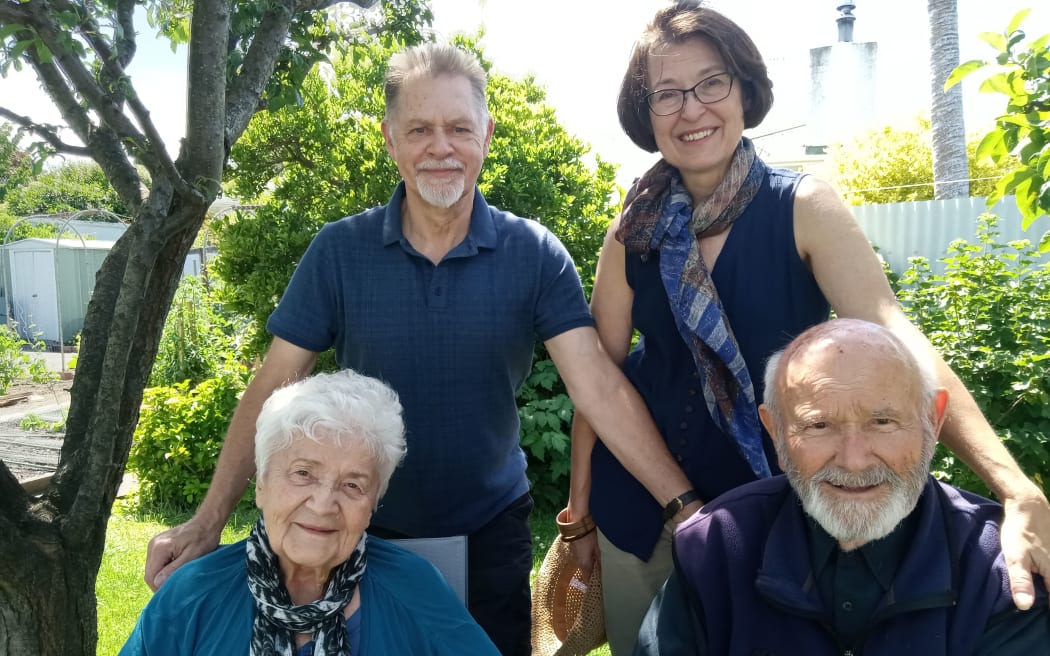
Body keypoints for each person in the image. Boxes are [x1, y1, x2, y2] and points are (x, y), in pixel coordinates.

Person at [144, 42, 698, 656]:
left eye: (459, 128)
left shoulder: (533, 253)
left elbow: (596, 385)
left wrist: (683, 504)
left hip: (490, 525)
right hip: (359, 526)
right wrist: (208, 519)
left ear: (486, 134)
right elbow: (272, 385)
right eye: (420, 129)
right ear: (390, 140)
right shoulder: (338, 253)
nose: (441, 147)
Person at [564, 3, 1050, 653]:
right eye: (667, 93)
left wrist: (1013, 486)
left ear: (744, 89)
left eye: (712, 83)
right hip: (635, 515)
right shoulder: (631, 232)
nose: (692, 109)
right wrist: (580, 513)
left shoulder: (803, 209)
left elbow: (896, 342)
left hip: (756, 522)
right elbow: (600, 378)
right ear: (645, 113)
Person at [634, 319, 1050, 655]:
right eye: (819, 425)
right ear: (776, 433)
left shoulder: (1003, 572)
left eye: (883, 422)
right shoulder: (714, 548)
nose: (854, 460)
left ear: (933, 421)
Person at [120, 370, 500, 655]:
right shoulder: (194, 595)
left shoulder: (415, 587)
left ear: (371, 507)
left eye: (353, 485)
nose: (323, 504)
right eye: (303, 474)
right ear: (262, 486)